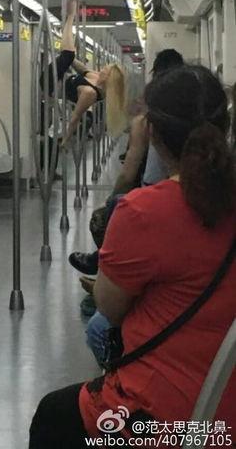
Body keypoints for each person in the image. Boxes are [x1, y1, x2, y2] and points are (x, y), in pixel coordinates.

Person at [30, 65, 236, 449]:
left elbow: (110, 307)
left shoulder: (144, 211)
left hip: (173, 423)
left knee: (53, 415)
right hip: (227, 409)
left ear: (151, 131)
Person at [69, 48, 185, 279]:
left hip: (157, 188)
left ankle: (106, 268)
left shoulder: (150, 118)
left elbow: (129, 172)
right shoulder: (193, 112)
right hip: (187, 189)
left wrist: (112, 200)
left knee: (114, 208)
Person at [43, 0, 127, 146]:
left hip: (50, 87)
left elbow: (75, 117)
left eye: (105, 71)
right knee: (68, 55)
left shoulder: (91, 93)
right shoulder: (95, 77)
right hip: (58, 77)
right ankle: (69, 23)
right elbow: (81, 68)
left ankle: (70, 16)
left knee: (68, 54)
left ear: (108, 78)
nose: (101, 70)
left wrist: (66, 140)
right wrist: (70, 57)